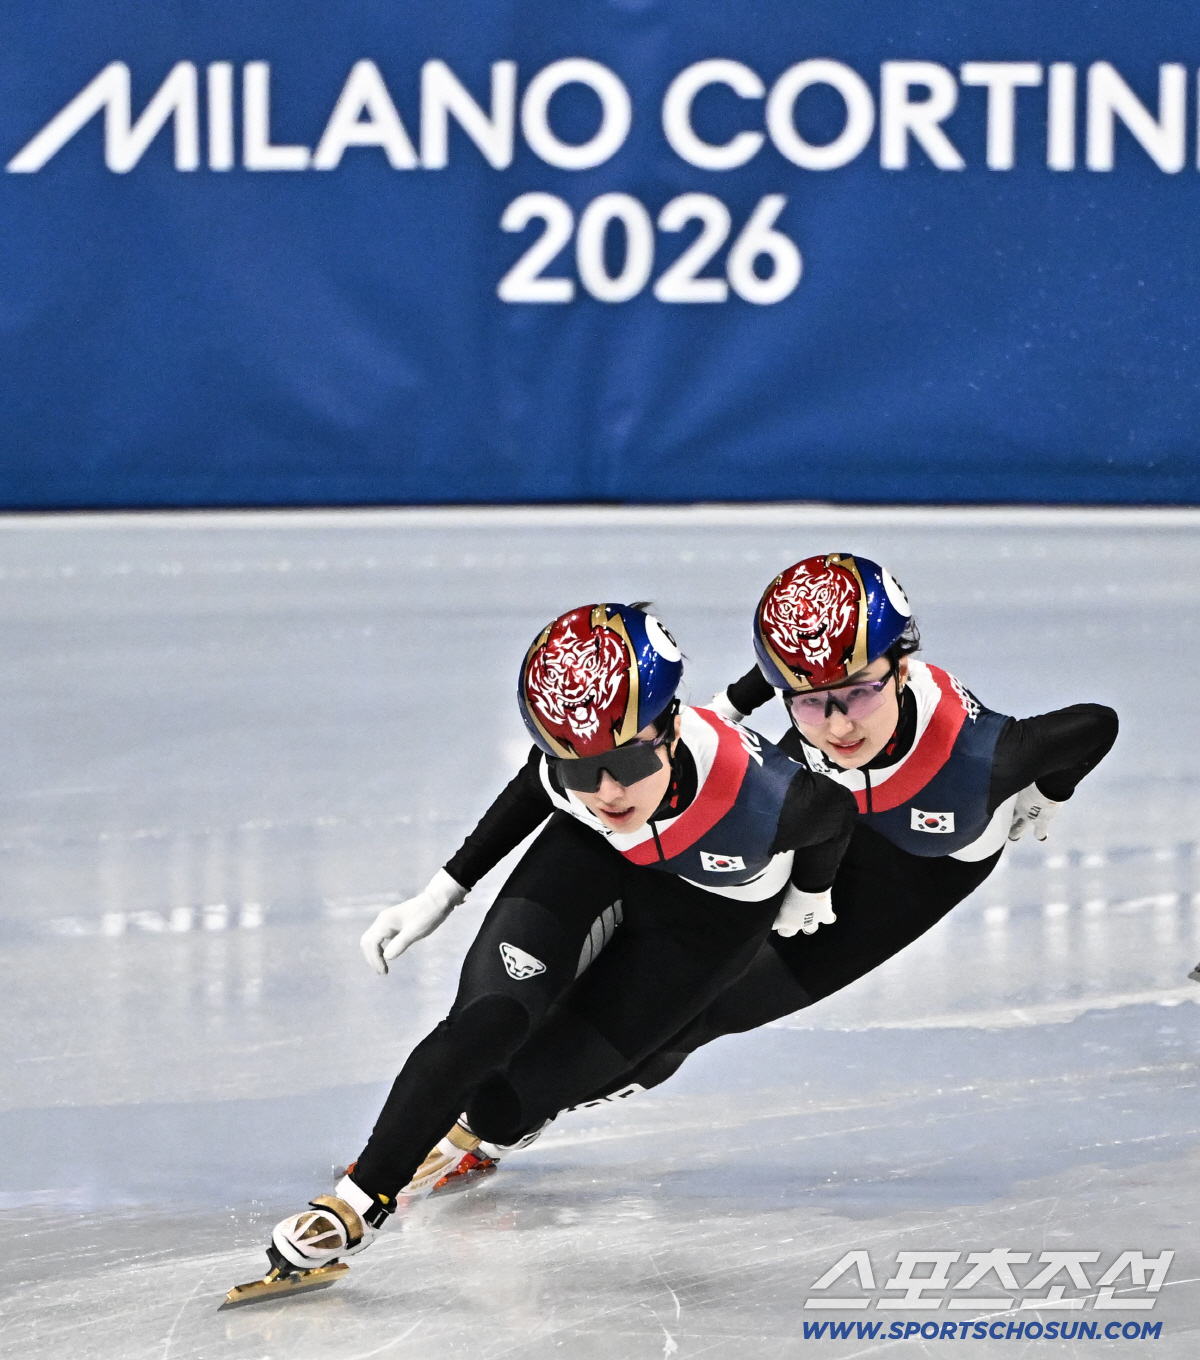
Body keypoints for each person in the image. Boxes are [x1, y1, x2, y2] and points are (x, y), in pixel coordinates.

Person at [424, 552, 1120, 1186]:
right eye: (810, 701)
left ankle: (513, 1116)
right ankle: (505, 1094)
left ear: (902, 669)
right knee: (648, 951)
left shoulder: (986, 756)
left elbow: (1095, 726)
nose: (839, 726)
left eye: (859, 695)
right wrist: (733, 704)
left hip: (897, 884)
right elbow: (789, 672)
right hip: (813, 831)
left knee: (699, 1016)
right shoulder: (815, 701)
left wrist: (1050, 790)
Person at [253, 601, 856, 1287]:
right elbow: (532, 790)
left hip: (708, 916)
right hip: (593, 857)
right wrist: (441, 893)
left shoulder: (772, 799)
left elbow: (834, 818)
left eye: (627, 761)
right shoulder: (575, 770)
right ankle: (359, 1201)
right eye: (579, 768)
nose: (606, 790)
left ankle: (493, 1131)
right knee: (487, 1023)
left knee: (508, 1104)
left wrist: (812, 891)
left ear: (670, 726)